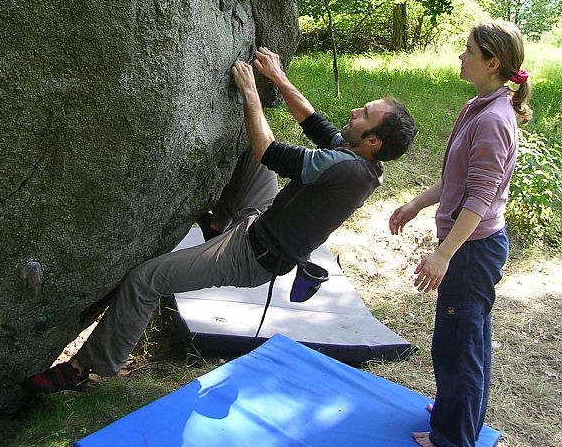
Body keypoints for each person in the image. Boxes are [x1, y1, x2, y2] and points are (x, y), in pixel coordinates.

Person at [25, 47, 416, 393]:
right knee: (246, 147)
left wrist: (250, 90)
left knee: (144, 281)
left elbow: (269, 151)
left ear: (372, 141)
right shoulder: (364, 160)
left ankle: (85, 368)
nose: (355, 110)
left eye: (364, 113)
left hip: (250, 254)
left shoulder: (347, 170)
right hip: (259, 219)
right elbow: (317, 124)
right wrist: (278, 77)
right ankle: (219, 222)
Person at [389, 20, 532, 447]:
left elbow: (481, 196)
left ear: (492, 63)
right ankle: (455, 408)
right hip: (470, 248)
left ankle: (454, 437)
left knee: (459, 345)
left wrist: (443, 254)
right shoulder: (479, 106)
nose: (461, 55)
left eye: (469, 50)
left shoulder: (493, 120)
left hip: (472, 251)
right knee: (460, 338)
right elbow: (458, 179)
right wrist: (416, 204)